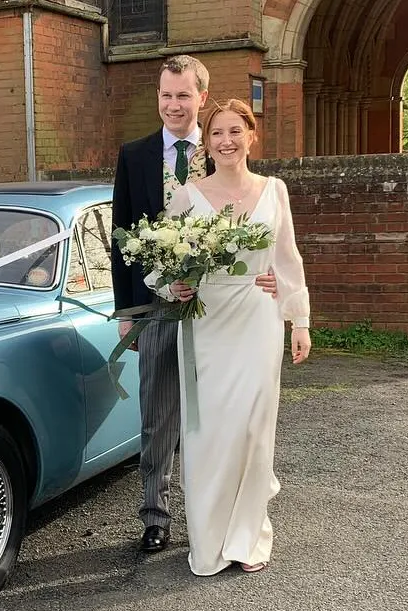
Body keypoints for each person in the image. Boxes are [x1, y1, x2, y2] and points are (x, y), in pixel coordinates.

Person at [109, 55, 276, 554]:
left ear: (202, 98)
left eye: (183, 95)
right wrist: (126, 313)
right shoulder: (134, 155)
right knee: (158, 413)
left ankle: (217, 514)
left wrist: (265, 275)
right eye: (166, 95)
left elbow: (251, 222)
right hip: (157, 308)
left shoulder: (221, 147)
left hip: (223, 314)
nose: (173, 104)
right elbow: (122, 242)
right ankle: (156, 515)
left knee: (216, 415)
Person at [153, 98, 312, 575]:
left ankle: (247, 537)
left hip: (259, 318)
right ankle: (209, 539)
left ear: (251, 136)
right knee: (211, 432)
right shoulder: (187, 195)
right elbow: (163, 264)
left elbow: (287, 258)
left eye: (235, 131)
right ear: (208, 142)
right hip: (208, 322)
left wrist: (297, 317)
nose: (226, 141)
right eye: (217, 133)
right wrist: (174, 285)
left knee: (254, 427)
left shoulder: (274, 190)